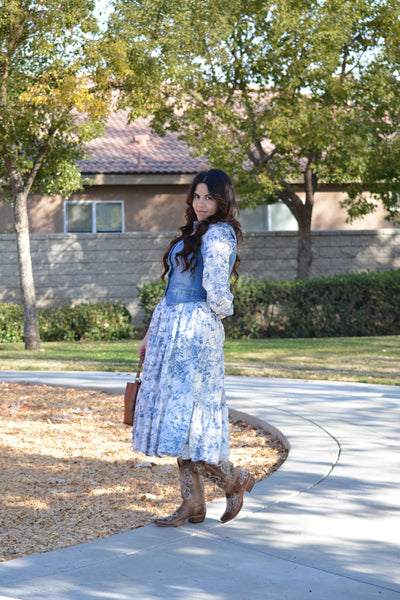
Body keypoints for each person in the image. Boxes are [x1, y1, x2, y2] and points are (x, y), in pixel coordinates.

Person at [132, 168, 255, 527]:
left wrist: (209, 319)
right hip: (171, 328)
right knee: (178, 420)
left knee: (188, 420)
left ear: (222, 200)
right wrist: (149, 335)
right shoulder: (195, 231)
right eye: (197, 197)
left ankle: (234, 479)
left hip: (193, 335)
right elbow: (170, 290)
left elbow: (218, 293)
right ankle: (193, 503)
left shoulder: (218, 235)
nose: (201, 204)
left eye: (209, 197)